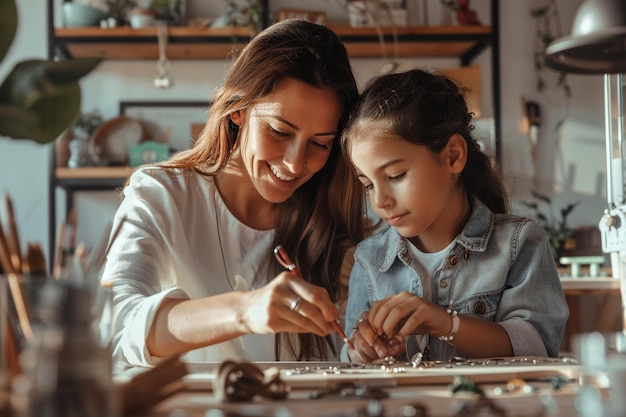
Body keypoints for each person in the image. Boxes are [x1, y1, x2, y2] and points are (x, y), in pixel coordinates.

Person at [101, 18, 367, 373]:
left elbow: (346, 358)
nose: (295, 163)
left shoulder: (336, 220)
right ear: (239, 108)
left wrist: (366, 347)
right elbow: (114, 326)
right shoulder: (161, 197)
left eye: (319, 144)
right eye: (279, 131)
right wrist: (244, 311)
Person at [339, 68, 569, 364]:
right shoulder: (369, 260)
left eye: (396, 176)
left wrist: (446, 324)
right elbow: (349, 359)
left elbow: (537, 347)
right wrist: (363, 350)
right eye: (368, 184)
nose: (380, 201)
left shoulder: (519, 244)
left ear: (453, 156)